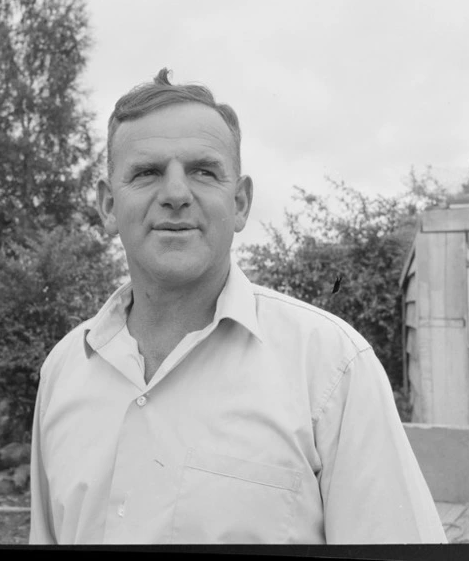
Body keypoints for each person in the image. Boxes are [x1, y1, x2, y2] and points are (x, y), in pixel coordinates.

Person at [29, 69, 447, 545]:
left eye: (203, 171)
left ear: (242, 202)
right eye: (146, 173)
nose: (175, 194)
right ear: (107, 206)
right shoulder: (63, 372)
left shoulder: (332, 368)